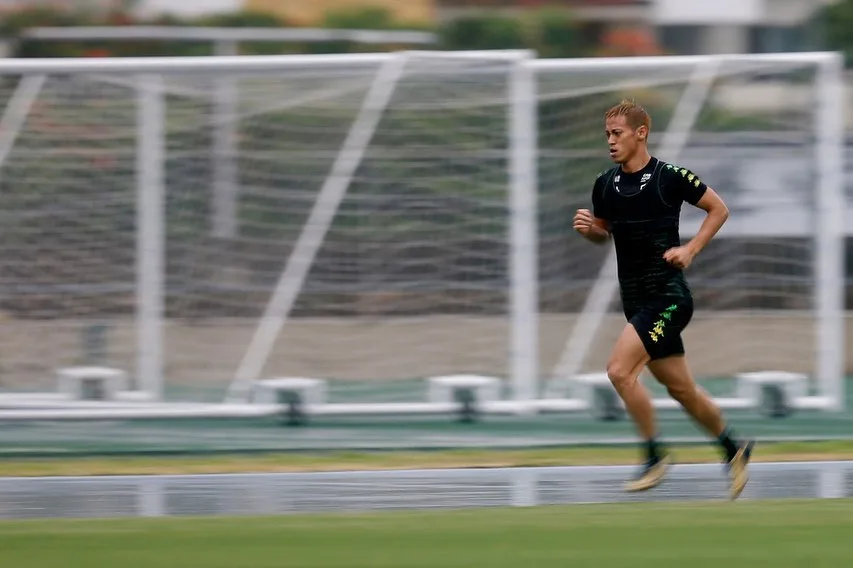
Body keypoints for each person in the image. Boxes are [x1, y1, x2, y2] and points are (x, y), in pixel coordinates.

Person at [573, 99, 754, 500]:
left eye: (617, 133)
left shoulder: (669, 177)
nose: (610, 141)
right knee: (682, 390)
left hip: (669, 297)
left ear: (641, 132)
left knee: (620, 372)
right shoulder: (606, 183)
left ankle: (655, 457)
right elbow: (603, 231)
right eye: (607, 134)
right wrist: (590, 230)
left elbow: (718, 209)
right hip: (635, 301)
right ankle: (733, 447)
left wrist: (690, 250)